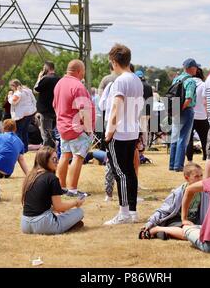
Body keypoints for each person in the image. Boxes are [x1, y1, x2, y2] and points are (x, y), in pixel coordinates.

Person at [103, 44, 144, 225]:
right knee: (129, 172)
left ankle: (124, 212)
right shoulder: (136, 79)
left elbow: (116, 107)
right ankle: (132, 212)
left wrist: (109, 131)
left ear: (113, 62)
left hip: (119, 132)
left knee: (120, 173)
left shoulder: (120, 81)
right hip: (131, 130)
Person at [53, 60, 94, 197]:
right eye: (83, 71)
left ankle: (61, 187)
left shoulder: (59, 84)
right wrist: (88, 129)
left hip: (63, 126)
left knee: (65, 155)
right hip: (77, 128)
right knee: (78, 156)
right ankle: (72, 190)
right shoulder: (78, 86)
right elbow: (84, 110)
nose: (84, 74)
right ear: (79, 71)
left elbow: (55, 105)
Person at [21, 146, 85, 235]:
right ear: (44, 160)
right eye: (54, 159)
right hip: (43, 224)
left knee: (60, 214)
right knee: (79, 212)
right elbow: (58, 207)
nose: (57, 162)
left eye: (57, 159)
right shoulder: (52, 178)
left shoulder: (30, 176)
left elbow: (40, 205)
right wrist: (76, 203)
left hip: (25, 224)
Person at [139, 163, 209, 240]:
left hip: (194, 221)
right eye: (196, 176)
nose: (200, 179)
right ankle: (157, 229)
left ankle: (163, 233)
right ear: (186, 178)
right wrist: (150, 223)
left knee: (199, 231)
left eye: (201, 175)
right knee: (188, 232)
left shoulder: (204, 192)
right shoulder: (178, 193)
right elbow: (163, 210)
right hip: (177, 221)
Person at [168, 58, 197, 172]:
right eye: (195, 67)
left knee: (174, 136)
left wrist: (176, 110)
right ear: (191, 68)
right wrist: (181, 109)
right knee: (183, 138)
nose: (196, 70)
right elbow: (188, 99)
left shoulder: (176, 79)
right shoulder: (190, 81)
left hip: (175, 109)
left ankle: (171, 164)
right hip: (185, 110)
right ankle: (178, 165)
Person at [34, 61, 60, 148]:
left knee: (46, 135)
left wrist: (39, 77)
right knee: (52, 133)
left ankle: (47, 154)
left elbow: (36, 89)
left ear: (46, 68)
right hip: (56, 110)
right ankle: (54, 151)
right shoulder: (59, 79)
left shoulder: (46, 79)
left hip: (45, 111)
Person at [186, 67, 209, 162]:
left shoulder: (188, 83)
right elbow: (206, 100)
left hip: (190, 114)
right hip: (202, 115)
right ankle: (206, 156)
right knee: (205, 139)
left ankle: (189, 158)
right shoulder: (204, 85)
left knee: (189, 139)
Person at [8, 79, 37, 153]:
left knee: (19, 132)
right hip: (29, 113)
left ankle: (20, 149)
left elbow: (13, 101)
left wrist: (10, 95)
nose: (11, 89)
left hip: (21, 115)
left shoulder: (18, 93)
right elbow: (34, 100)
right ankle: (25, 148)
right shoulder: (28, 90)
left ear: (14, 86)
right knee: (24, 132)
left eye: (11, 87)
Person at [136, 70, 153, 149]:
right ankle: (145, 144)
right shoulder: (149, 86)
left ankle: (138, 144)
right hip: (147, 110)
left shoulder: (136, 85)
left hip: (138, 110)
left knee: (137, 128)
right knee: (144, 128)